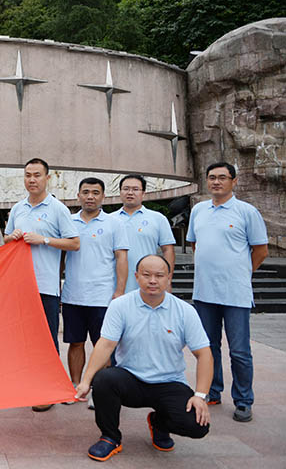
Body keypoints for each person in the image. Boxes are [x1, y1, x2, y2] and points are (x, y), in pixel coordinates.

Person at [75, 255, 212, 462]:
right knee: (103, 379)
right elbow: (106, 345)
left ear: (169, 277)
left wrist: (200, 395)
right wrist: (86, 380)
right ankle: (110, 437)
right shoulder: (120, 305)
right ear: (136, 276)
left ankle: (159, 423)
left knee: (197, 425)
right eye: (146, 275)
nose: (152, 280)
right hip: (131, 379)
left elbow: (204, 354)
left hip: (169, 382)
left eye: (159, 275)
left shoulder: (185, 311)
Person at [186, 162, 268, 422]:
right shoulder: (199, 210)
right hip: (204, 293)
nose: (216, 182)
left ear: (234, 181)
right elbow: (195, 244)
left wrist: (242, 272)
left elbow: (261, 250)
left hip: (235, 294)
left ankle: (243, 401)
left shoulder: (246, 212)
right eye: (212, 177)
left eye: (222, 177)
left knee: (239, 351)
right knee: (207, 347)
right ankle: (212, 391)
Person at [3, 158, 80, 412]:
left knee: (46, 338)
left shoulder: (58, 209)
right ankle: (29, 384)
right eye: (28, 175)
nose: (32, 180)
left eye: (37, 175)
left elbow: (74, 243)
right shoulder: (18, 208)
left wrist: (44, 240)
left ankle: (49, 389)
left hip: (46, 284)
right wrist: (11, 237)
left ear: (48, 178)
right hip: (20, 284)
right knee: (23, 338)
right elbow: (6, 240)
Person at [61, 177, 128, 405]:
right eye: (86, 192)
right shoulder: (68, 222)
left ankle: (99, 390)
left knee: (103, 345)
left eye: (95, 192)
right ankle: (75, 387)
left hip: (102, 296)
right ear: (78, 195)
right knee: (75, 343)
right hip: (73, 294)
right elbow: (61, 256)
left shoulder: (114, 223)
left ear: (103, 196)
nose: (90, 197)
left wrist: (119, 291)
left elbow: (121, 257)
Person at [111, 174, 176, 293]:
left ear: (143, 193)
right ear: (120, 192)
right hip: (114, 286)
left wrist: (168, 280)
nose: (130, 193)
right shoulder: (109, 219)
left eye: (135, 189)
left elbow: (168, 250)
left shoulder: (158, 218)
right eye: (126, 189)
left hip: (148, 284)